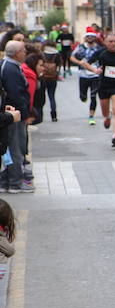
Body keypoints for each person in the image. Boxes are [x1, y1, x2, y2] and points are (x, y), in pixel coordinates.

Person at [78, 33, 115, 148]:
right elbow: (84, 63)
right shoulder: (100, 52)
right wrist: (95, 70)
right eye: (110, 41)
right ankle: (107, 117)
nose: (113, 44)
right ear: (105, 43)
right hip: (103, 86)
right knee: (105, 113)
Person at [0, 41, 34, 193]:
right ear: (16, 53)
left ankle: (7, 181)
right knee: (15, 147)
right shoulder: (11, 69)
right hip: (14, 116)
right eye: (22, 50)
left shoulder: (8, 66)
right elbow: (16, 94)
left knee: (11, 148)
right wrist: (24, 114)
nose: (25, 53)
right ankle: (15, 182)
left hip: (10, 113)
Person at [70, 31, 103, 124]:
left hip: (95, 74)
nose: (90, 38)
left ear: (95, 38)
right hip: (83, 74)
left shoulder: (98, 49)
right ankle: (83, 97)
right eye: (88, 36)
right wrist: (79, 62)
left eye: (92, 36)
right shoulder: (80, 47)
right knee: (83, 97)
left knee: (93, 96)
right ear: (85, 38)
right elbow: (72, 57)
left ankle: (91, 117)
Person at [41, 40, 62, 122]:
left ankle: (40, 115)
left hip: (43, 77)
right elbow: (59, 65)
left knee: (41, 96)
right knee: (52, 96)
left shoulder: (42, 53)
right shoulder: (56, 54)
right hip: (53, 78)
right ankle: (54, 115)